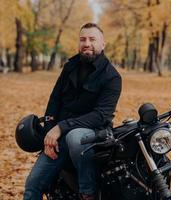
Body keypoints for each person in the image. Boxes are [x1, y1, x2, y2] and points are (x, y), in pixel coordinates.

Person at [23, 23, 122, 200]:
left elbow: (101, 116)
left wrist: (61, 127)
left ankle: (88, 192)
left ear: (103, 44)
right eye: (83, 39)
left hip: (91, 135)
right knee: (32, 186)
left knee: (75, 137)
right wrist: (49, 133)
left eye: (92, 39)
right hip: (59, 137)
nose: (87, 43)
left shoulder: (112, 77)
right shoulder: (70, 66)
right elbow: (54, 101)